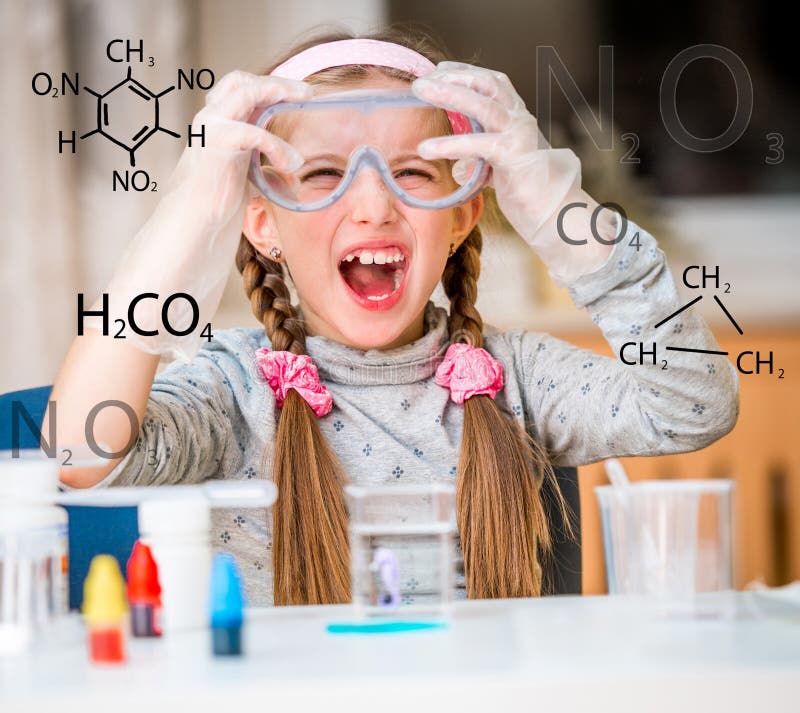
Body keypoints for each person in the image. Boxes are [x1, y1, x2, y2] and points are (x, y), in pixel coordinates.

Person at [50, 27, 739, 607]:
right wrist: (187, 217)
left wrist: (561, 217)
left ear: (464, 208)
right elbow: (80, 450)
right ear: (261, 222)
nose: (373, 205)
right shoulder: (233, 391)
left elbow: (692, 401)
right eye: (322, 174)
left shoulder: (516, 378)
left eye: (411, 172)